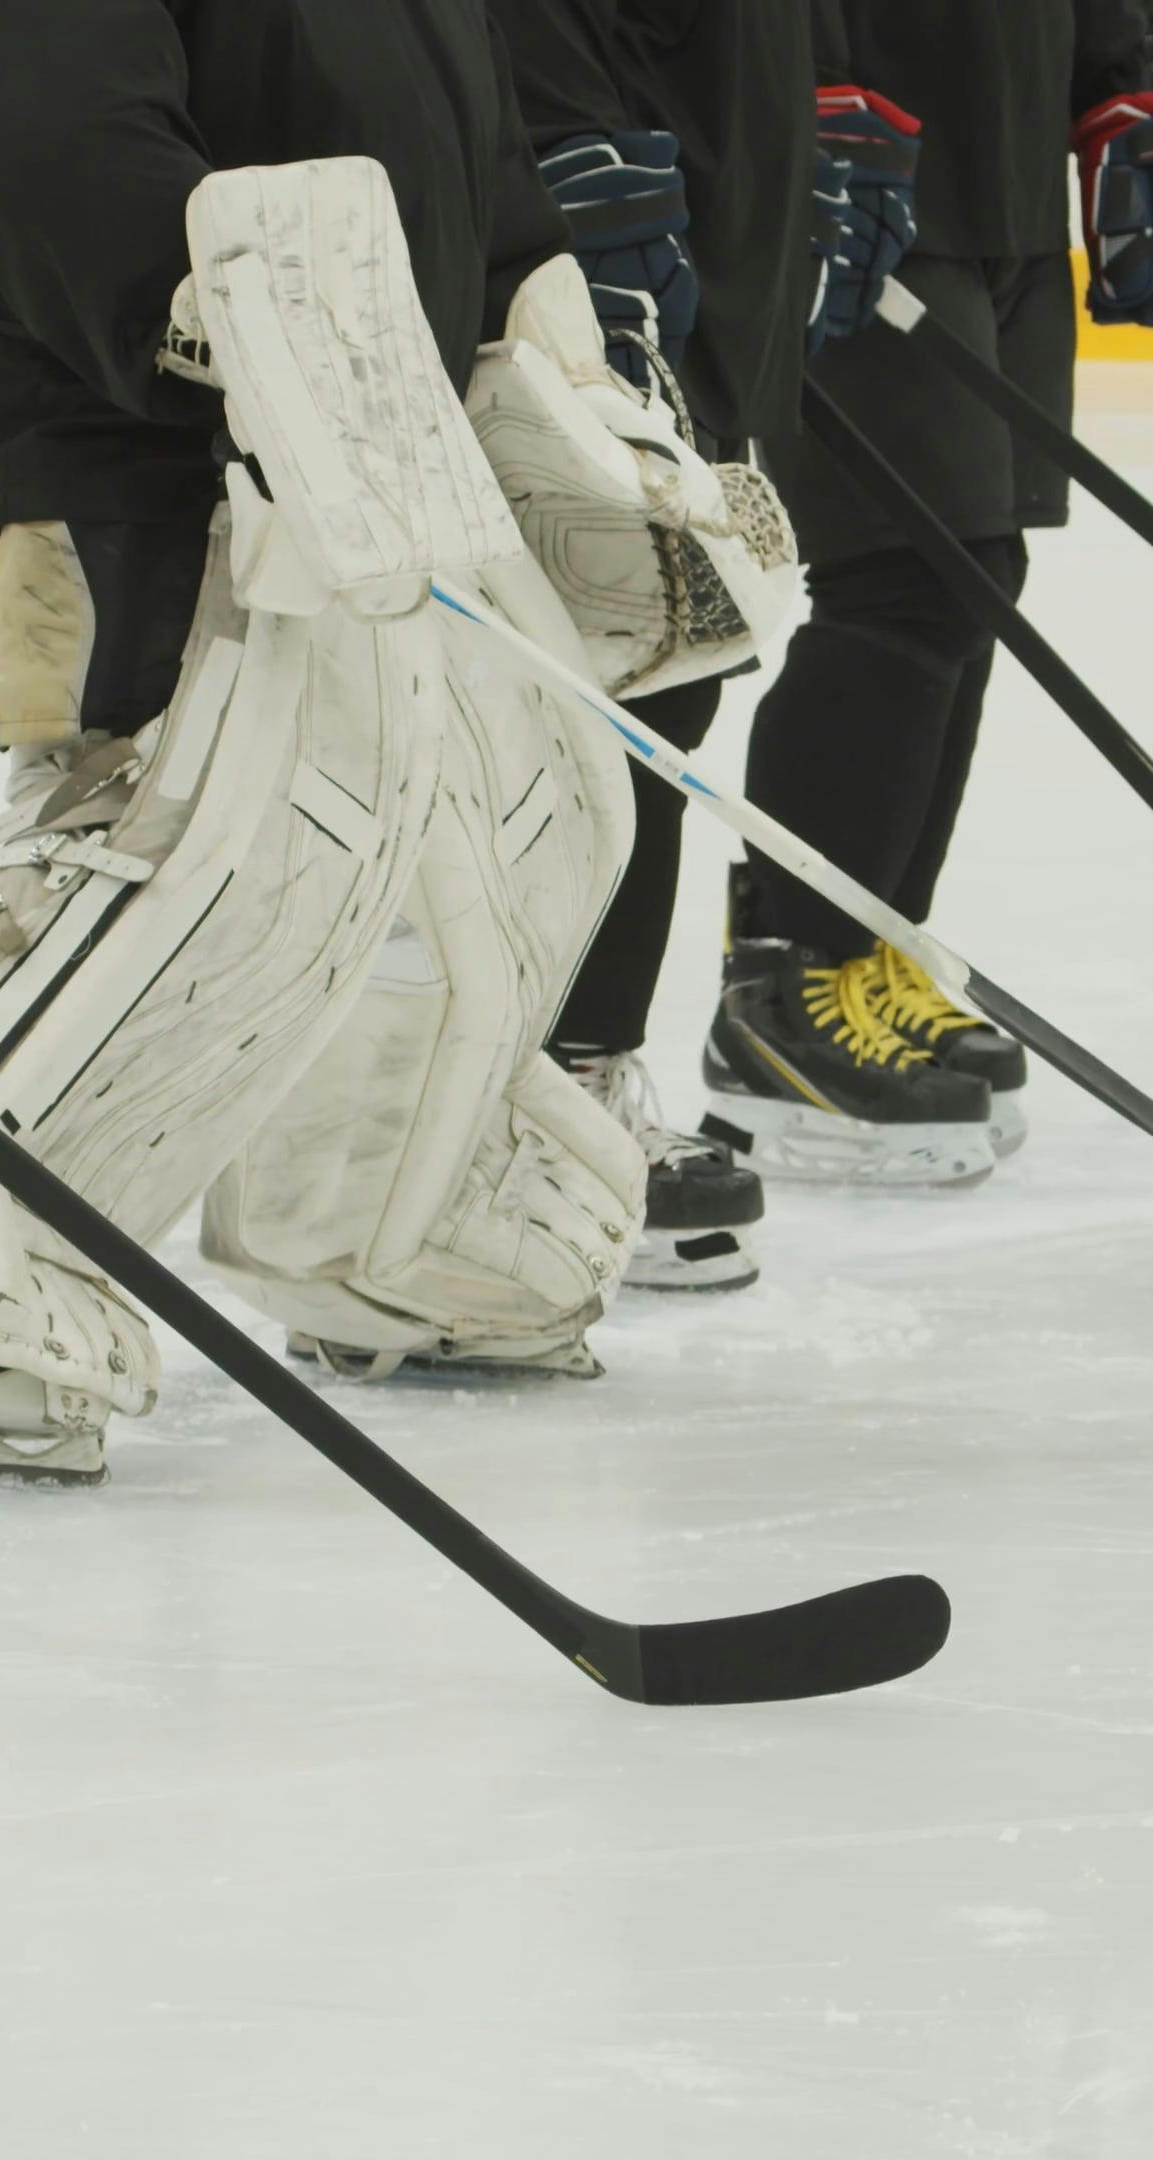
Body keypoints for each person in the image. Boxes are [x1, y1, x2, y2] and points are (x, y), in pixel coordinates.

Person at [0, 0, 800, 1484]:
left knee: (445, 832)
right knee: (171, 851)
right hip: (122, 448)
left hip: (372, 461)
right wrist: (233, 328)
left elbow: (470, 158)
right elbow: (47, 146)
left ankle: (386, 1226)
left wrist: (545, 335)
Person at [712, 0, 1153, 1185]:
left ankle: (864, 948)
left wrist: (1117, 78)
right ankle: (782, 988)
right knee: (899, 576)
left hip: (1006, 151)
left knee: (975, 575)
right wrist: (816, 86)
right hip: (850, 146)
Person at [490, 0, 836, 1293]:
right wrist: (563, 146)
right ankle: (505, 1090)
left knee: (674, 677)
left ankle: (579, 1066)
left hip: (720, 201)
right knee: (568, 671)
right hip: (586, 198)